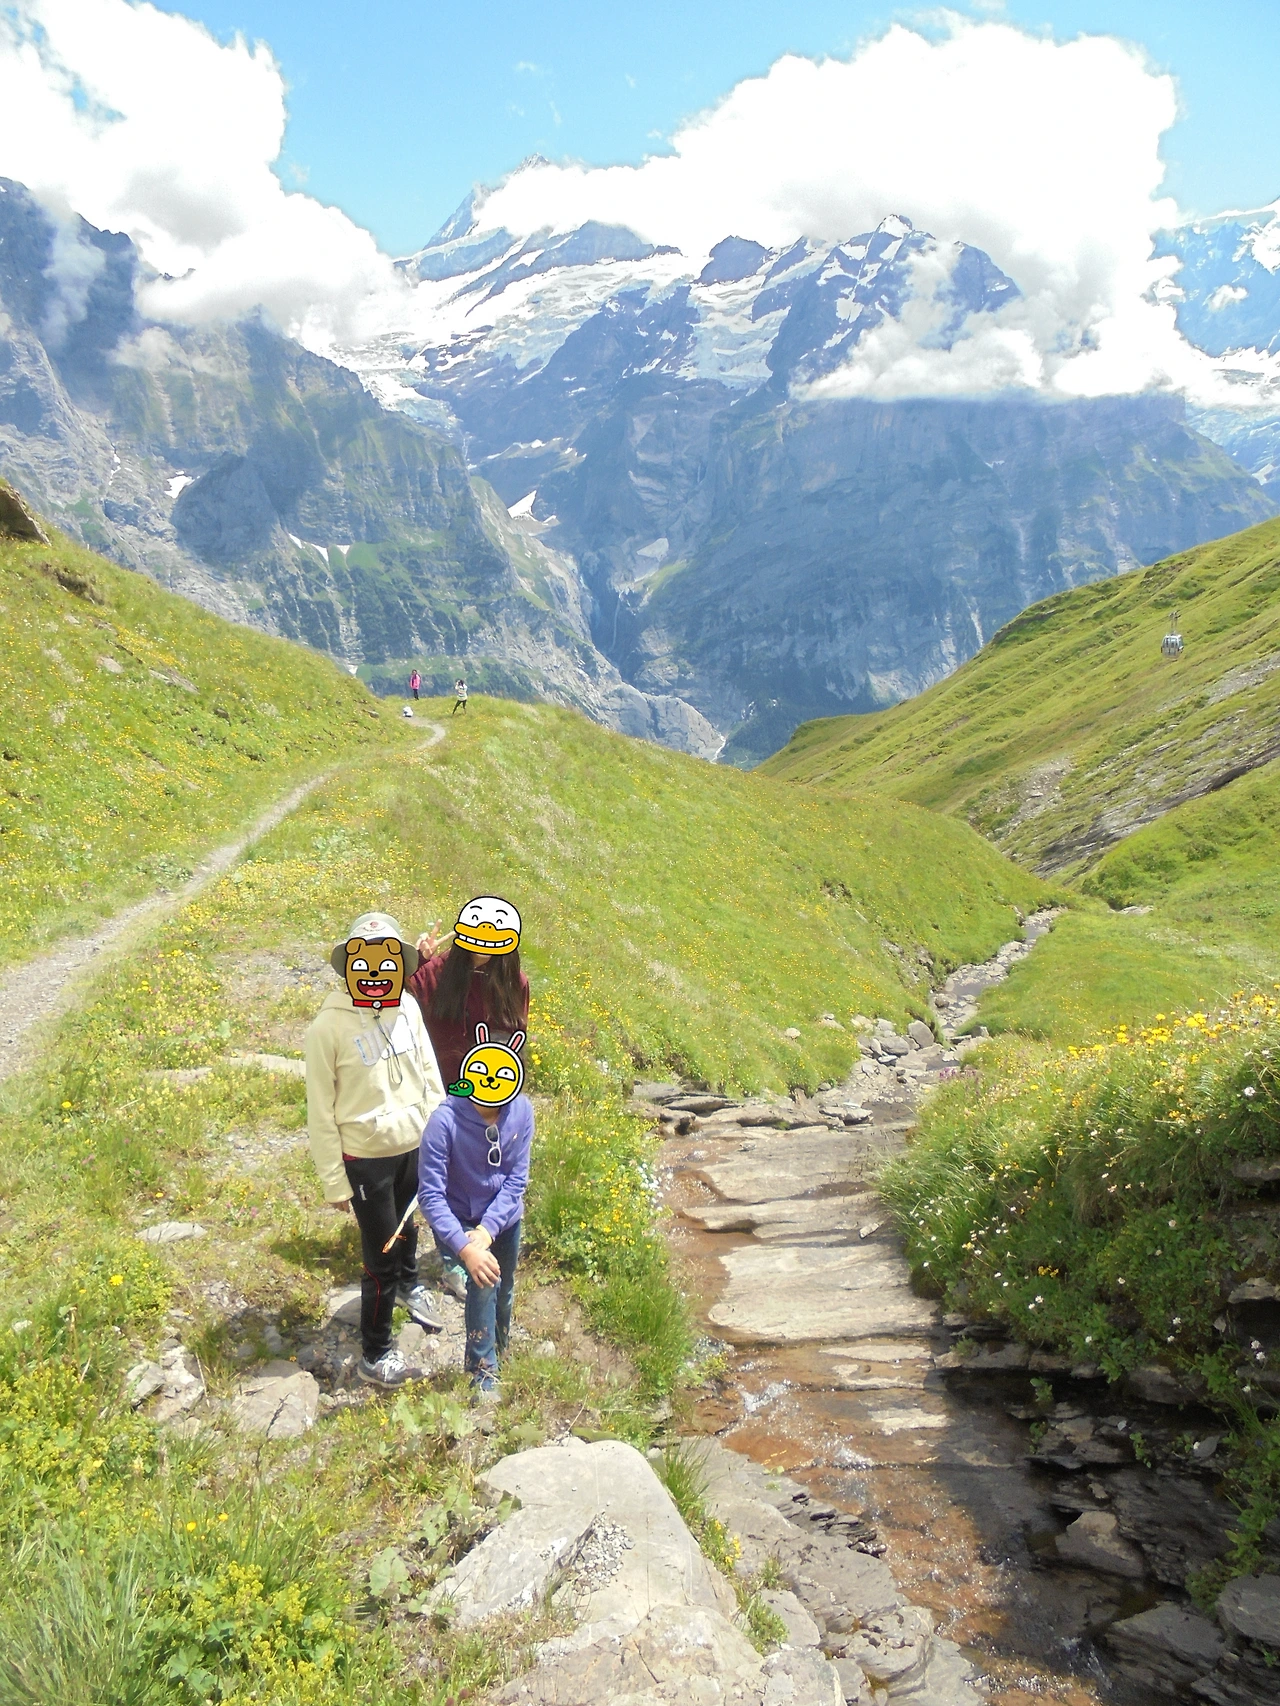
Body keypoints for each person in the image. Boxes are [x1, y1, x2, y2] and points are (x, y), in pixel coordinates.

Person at [304, 911, 446, 1389]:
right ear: (348, 966)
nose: (375, 973)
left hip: (414, 1145)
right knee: (380, 1251)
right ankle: (377, 1350)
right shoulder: (327, 1029)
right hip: (365, 1158)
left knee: (410, 1225)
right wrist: (333, 1179)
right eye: (363, 962)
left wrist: (440, 1135)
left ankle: (410, 1284)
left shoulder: (407, 1007)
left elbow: (429, 1074)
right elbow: (321, 1112)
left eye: (387, 962)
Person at [407, 905, 529, 1300]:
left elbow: (517, 1038)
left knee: (484, 1175)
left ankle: (481, 1241)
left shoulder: (514, 982)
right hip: (441, 1092)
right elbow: (396, 997)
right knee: (443, 1181)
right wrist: (415, 959)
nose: (484, 945)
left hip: (488, 1098)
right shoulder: (440, 971)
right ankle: (456, 1257)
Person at [418, 1042, 533, 1396]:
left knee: (505, 1285)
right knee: (485, 1282)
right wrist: (467, 1246)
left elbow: (517, 1179)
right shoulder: (443, 1122)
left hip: (503, 1218)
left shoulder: (522, 1111)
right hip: (459, 1217)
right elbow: (430, 1196)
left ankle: (501, 1346)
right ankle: (482, 1369)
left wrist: (490, 1228)